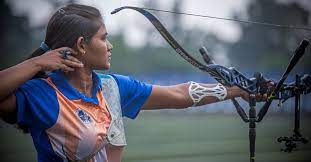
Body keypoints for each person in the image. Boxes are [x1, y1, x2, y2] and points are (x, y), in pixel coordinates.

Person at [0, 4, 267, 162]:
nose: (110, 45)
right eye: (104, 38)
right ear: (82, 45)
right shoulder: (43, 95)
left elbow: (177, 94)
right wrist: (36, 64)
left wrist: (235, 90)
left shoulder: (112, 87)